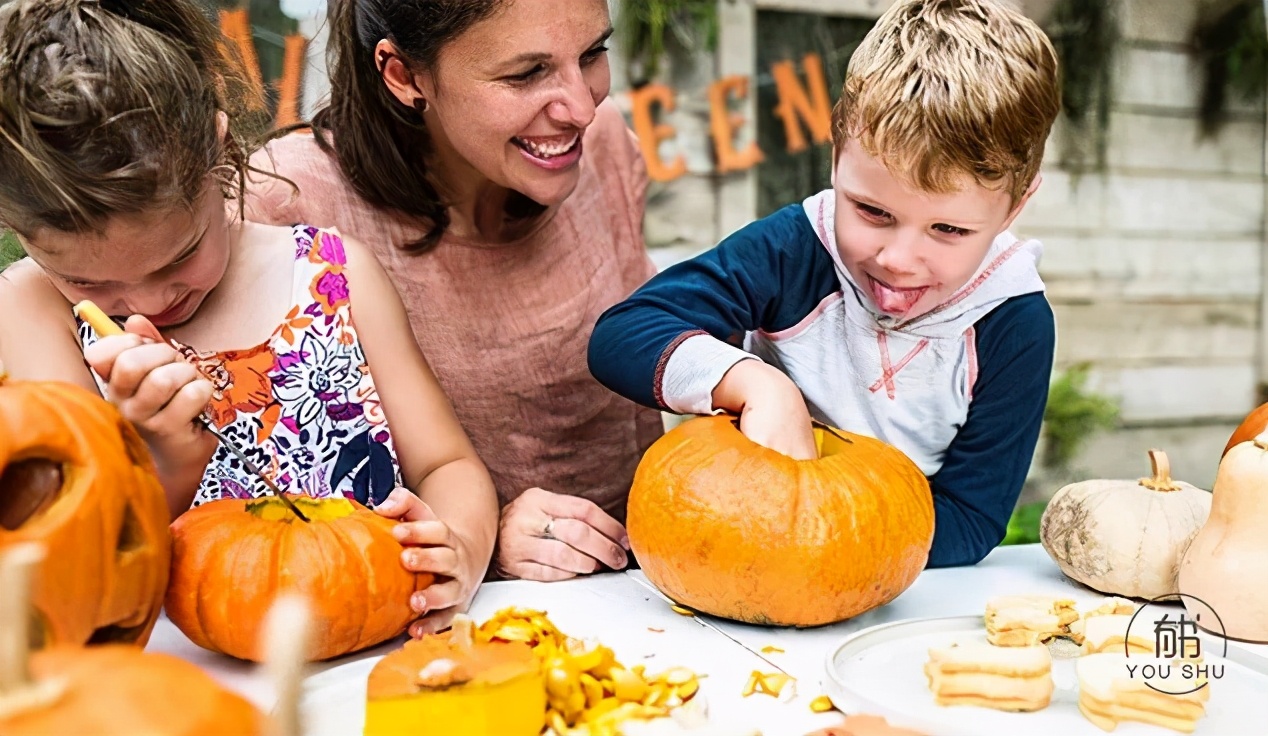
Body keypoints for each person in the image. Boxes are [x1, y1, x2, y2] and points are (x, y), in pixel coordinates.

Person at [0, 0, 497, 635]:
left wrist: (456, 545)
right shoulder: (32, 311)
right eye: (88, 282)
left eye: (179, 255)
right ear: (19, 233)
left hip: (374, 654)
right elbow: (72, 570)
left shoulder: (332, 276)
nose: (149, 303)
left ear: (221, 153)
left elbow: (446, 465)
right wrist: (163, 461)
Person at [588, 0, 1061, 568]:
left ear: (1015, 206)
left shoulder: (1014, 323)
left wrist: (823, 546)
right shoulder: (795, 250)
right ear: (837, 158)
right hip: (736, 539)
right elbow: (623, 335)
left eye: (949, 229)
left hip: (880, 580)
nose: (898, 259)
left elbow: (971, 517)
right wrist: (758, 385)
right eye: (872, 211)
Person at [246, 0, 662, 581]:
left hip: (648, 604)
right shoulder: (284, 205)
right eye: (525, 74)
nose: (581, 109)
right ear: (404, 75)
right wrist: (476, 543)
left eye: (592, 54)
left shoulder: (608, 143)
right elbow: (257, 516)